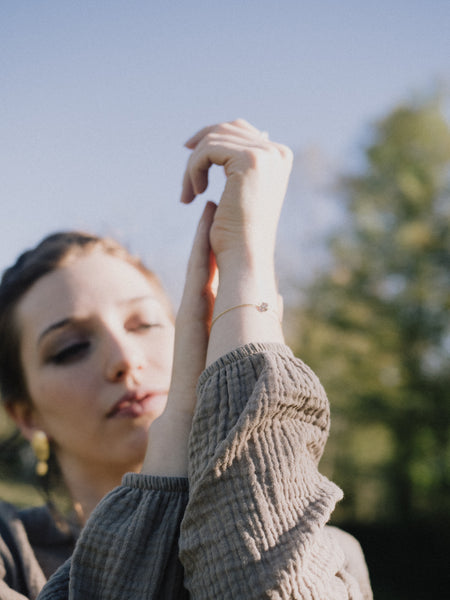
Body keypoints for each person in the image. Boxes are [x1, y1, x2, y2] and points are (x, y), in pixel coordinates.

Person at [0, 120, 373, 599]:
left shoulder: (331, 553)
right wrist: (175, 426)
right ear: (24, 414)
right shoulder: (10, 554)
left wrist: (247, 262)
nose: (124, 358)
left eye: (145, 325)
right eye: (70, 348)